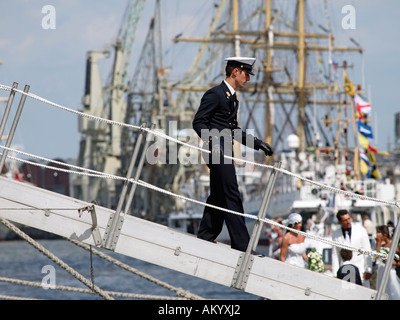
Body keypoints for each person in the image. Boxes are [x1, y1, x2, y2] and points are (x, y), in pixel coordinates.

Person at [192, 57, 273, 252]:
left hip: (224, 150)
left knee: (219, 195)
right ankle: (242, 245)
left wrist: (257, 143)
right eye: (246, 74)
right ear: (235, 72)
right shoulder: (215, 94)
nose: (249, 79)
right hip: (216, 151)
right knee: (232, 194)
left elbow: (234, 130)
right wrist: (212, 141)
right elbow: (199, 122)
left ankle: (206, 235)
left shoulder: (232, 98)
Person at [331, 209, 373, 287]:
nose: (348, 222)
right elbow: (335, 254)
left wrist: (368, 269)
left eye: (349, 219)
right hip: (344, 272)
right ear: (340, 222)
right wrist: (335, 274)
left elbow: (367, 250)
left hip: (361, 271)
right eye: (345, 220)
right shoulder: (335, 234)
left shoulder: (361, 230)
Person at [374, 225, 400, 300]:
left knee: (392, 292)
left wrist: (389, 263)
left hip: (390, 272)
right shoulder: (382, 245)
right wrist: (377, 243)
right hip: (381, 271)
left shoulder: (394, 244)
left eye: (378, 232)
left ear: (384, 235)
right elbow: (375, 257)